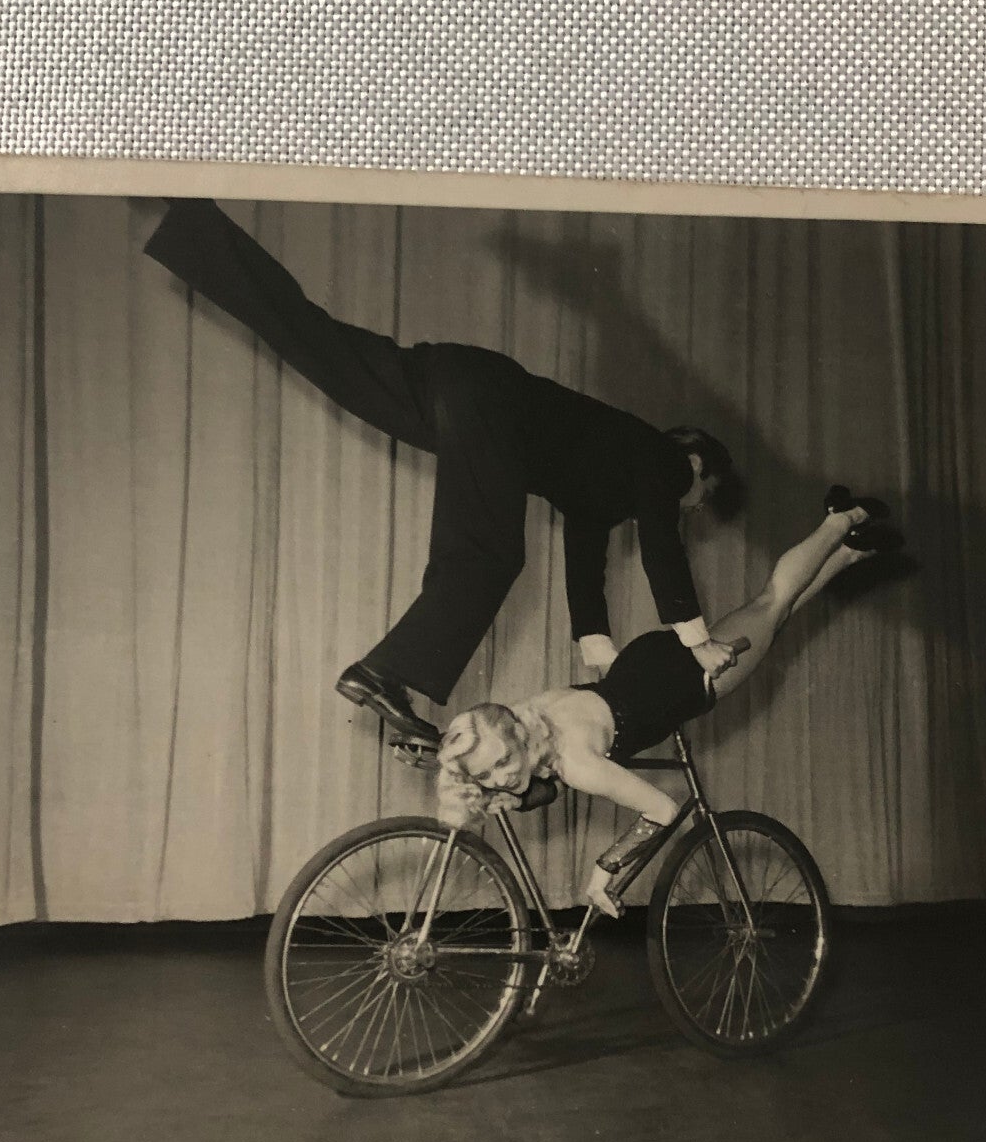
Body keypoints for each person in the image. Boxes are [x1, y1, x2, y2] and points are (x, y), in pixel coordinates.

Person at [136, 197, 746, 743]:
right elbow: (661, 545)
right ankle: (384, 675)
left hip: (453, 382)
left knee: (313, 337)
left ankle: (191, 226)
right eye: (700, 496)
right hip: (489, 402)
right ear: (695, 459)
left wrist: (603, 658)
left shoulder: (605, 487)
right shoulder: (665, 460)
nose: (690, 507)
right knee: (491, 552)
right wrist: (700, 641)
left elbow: (586, 566)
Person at [434, 492, 915, 917]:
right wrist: (479, 778)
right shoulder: (526, 713)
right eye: (487, 775)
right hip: (646, 664)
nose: (498, 777)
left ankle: (841, 518)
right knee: (774, 615)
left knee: (771, 601)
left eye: (500, 765)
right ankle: (848, 554)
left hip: (688, 679)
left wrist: (607, 870)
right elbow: (531, 781)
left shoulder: (577, 763)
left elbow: (663, 810)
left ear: (518, 741)